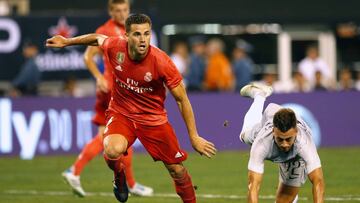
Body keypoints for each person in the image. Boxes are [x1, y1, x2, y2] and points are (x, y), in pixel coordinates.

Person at [46, 13, 217, 203]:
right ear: (126, 36)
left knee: (177, 170)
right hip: (122, 113)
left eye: (146, 34)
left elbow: (182, 99)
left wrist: (193, 136)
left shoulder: (162, 62)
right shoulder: (115, 47)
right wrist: (67, 41)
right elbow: (96, 38)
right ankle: (120, 177)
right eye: (137, 34)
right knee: (111, 150)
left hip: (153, 120)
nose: (143, 39)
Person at [61, 0, 153, 197]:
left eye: (125, 10)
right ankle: (76, 170)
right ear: (111, 11)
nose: (122, 14)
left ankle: (128, 182)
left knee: (115, 138)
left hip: (120, 89)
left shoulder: (131, 29)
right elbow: (88, 56)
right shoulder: (106, 29)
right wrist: (99, 77)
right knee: (119, 137)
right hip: (114, 90)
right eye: (117, 10)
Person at [238, 83, 325, 203]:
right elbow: (253, 187)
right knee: (244, 136)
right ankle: (259, 95)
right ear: (274, 131)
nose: (284, 144)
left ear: (296, 131)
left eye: (288, 139)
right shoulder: (262, 142)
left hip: (295, 158)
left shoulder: (305, 143)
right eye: (280, 139)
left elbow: (318, 182)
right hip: (266, 122)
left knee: (284, 200)